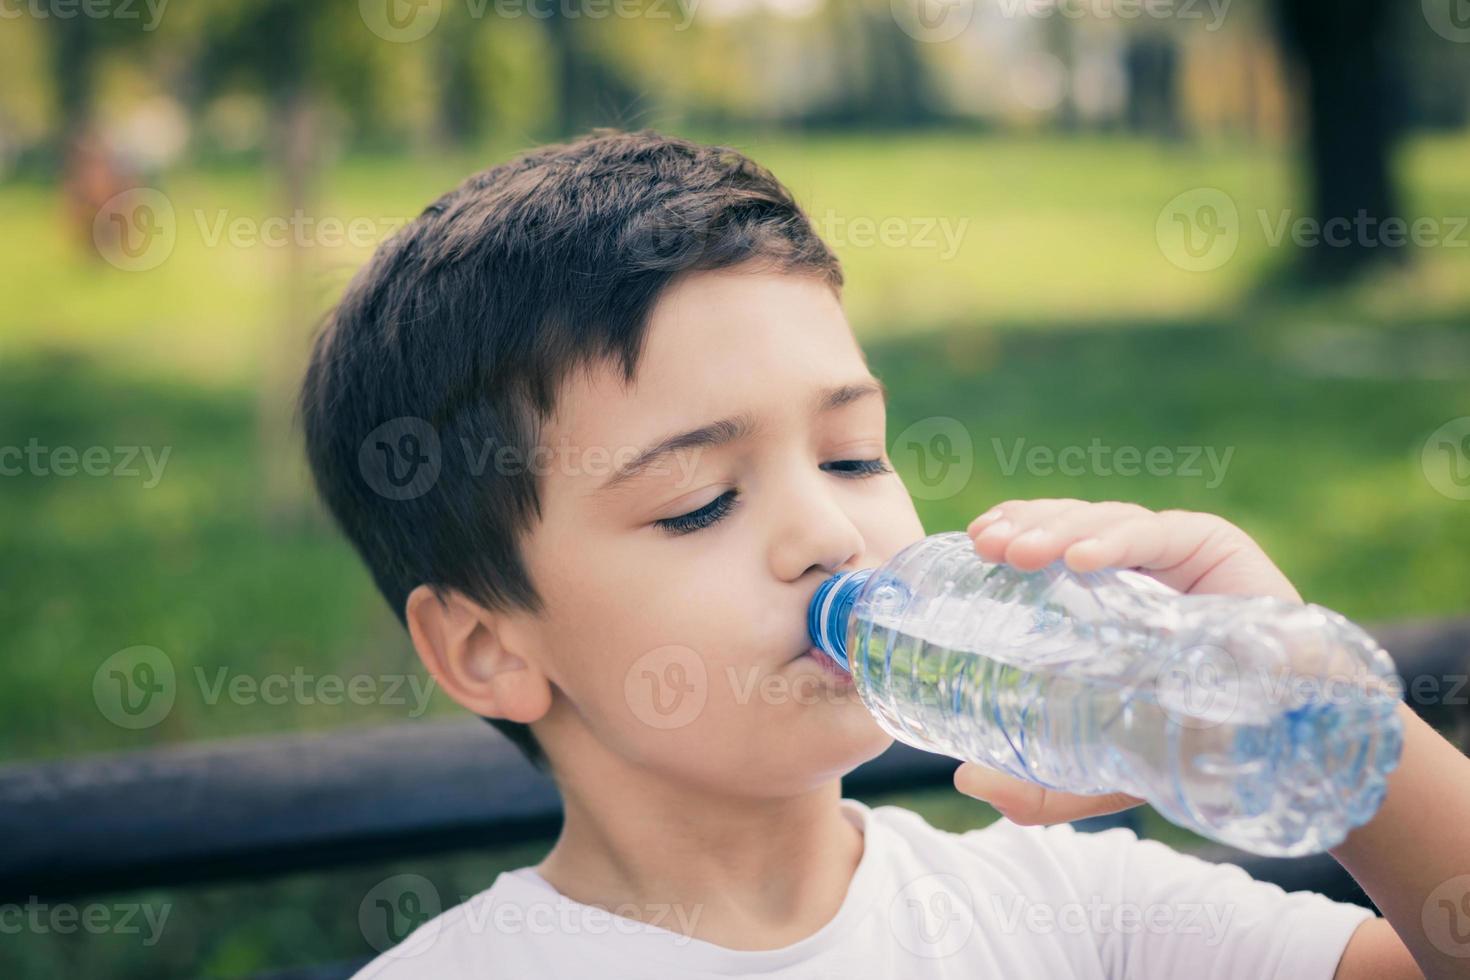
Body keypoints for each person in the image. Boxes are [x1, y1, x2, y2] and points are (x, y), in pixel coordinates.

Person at [298, 128, 1454, 978]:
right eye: (700, 501)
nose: (828, 532)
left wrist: (1323, 713)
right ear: (489, 647)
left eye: (851, 455)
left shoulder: (1068, 910)